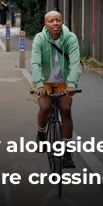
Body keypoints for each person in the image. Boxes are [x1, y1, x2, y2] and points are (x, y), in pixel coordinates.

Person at [31, 10, 81, 168]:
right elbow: (35, 63)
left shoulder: (70, 38)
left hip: (63, 81)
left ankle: (66, 150)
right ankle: (40, 133)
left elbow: (74, 63)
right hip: (44, 81)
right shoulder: (40, 39)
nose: (55, 24)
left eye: (58, 20)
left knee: (65, 109)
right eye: (51, 21)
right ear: (45, 24)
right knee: (45, 107)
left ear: (62, 22)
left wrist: (72, 84)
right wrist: (39, 84)